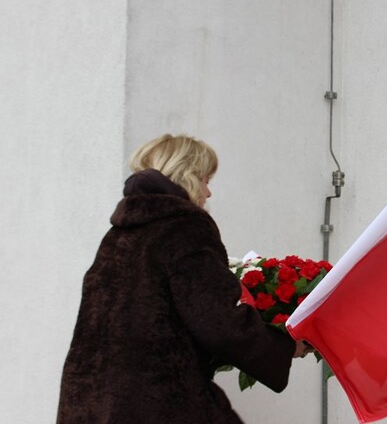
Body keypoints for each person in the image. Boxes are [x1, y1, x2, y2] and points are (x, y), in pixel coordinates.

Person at [57, 134, 311, 423]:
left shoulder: (118, 235)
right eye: (206, 180)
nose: (208, 192)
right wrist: (285, 346)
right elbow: (218, 320)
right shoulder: (184, 228)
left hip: (89, 404)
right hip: (155, 402)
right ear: (188, 176)